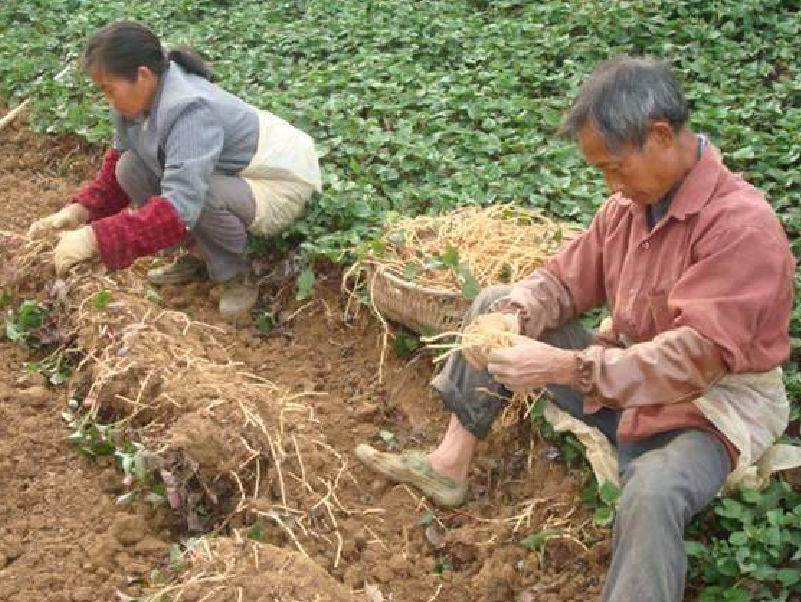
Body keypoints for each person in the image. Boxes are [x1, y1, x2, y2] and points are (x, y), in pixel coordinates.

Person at [355, 56, 796, 602]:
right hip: (622, 374)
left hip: (710, 406)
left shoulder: (740, 227)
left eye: (615, 167)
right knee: (493, 302)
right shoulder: (629, 207)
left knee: (653, 490)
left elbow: (693, 361)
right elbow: (564, 284)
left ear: (660, 136)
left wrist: (565, 367)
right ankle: (449, 464)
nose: (610, 184)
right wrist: (514, 314)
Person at [28, 20, 322, 315]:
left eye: (109, 88)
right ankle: (200, 255)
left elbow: (181, 208)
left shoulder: (189, 110)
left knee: (200, 192)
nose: (108, 98)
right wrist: (80, 211)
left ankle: (236, 273)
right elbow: (119, 163)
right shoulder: (135, 102)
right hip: (234, 171)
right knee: (130, 167)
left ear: (142, 75)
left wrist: (96, 239)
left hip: (281, 181)